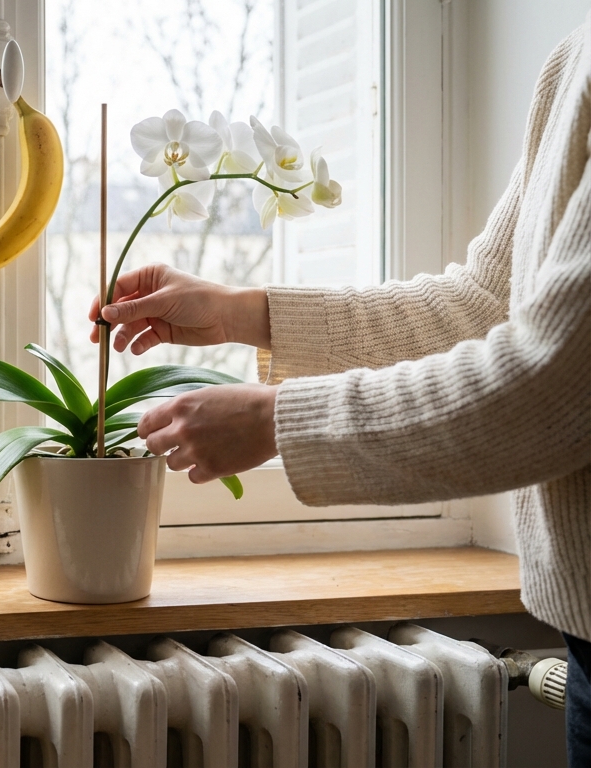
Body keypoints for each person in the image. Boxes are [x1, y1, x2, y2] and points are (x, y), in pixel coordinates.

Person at [91, 23, 591, 764]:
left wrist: (281, 422)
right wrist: (241, 311)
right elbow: (485, 301)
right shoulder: (576, 53)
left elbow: (550, 384)